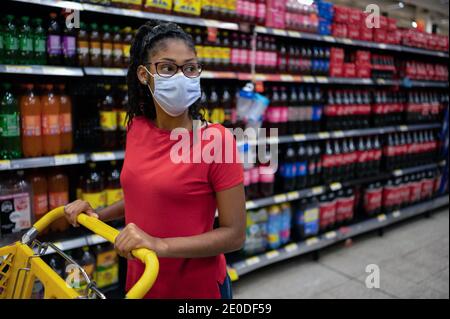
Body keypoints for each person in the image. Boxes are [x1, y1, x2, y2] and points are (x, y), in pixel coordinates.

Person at [64, 21, 246, 299]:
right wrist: (97, 215)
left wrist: (159, 245)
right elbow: (147, 193)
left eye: (190, 68)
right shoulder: (137, 127)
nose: (181, 77)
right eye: (168, 68)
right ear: (143, 74)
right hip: (141, 283)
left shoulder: (217, 141)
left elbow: (235, 235)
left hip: (196, 289)